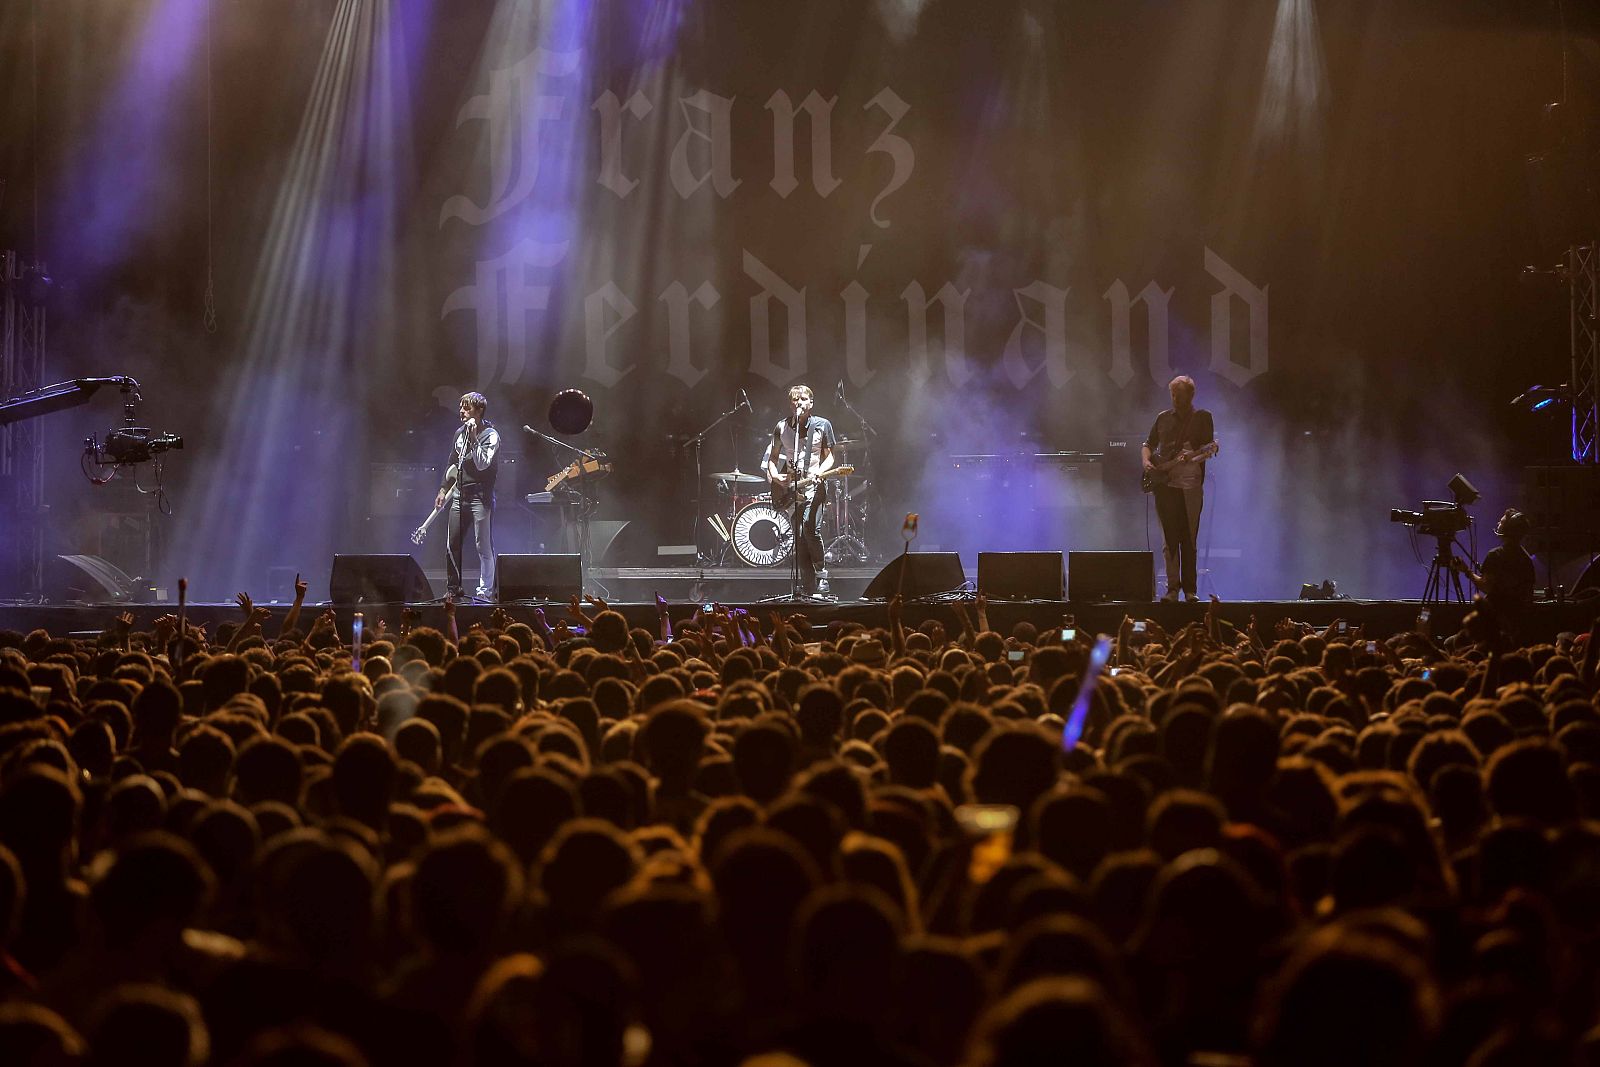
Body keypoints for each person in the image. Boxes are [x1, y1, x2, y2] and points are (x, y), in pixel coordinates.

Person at [1142, 375, 1216, 603]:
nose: (1175, 399)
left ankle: (1190, 590)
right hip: (1165, 485)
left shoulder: (1203, 418)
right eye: (1173, 394)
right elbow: (1148, 444)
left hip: (1191, 486)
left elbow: (1207, 449)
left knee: (1189, 538)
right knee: (1169, 538)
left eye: (1180, 395)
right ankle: (1172, 589)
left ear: (1191, 395)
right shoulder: (1163, 418)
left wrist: (1193, 458)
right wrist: (1146, 463)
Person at [764, 385, 837, 600]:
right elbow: (772, 459)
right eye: (795, 400)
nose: (799, 403)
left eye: (804, 399)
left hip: (815, 486)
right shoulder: (781, 428)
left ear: (811, 403)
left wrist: (820, 472)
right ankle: (807, 586)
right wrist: (776, 477)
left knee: (810, 528)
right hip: (792, 489)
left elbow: (830, 457)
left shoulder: (822, 425)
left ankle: (822, 574)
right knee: (798, 537)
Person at [435, 391, 500, 603]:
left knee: (483, 546)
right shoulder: (458, 434)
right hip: (459, 495)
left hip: (481, 497)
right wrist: (443, 489)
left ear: (479, 410)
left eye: (467, 407)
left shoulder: (491, 435)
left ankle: (485, 591)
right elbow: (451, 463)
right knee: (452, 543)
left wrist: (473, 439)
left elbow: (482, 464)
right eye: (461, 407)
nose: (462, 411)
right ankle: (453, 589)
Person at [1460, 507, 1536, 643]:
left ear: (1509, 529)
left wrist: (1467, 572)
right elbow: (1528, 595)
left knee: (1451, 642)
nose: (1498, 524)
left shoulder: (1495, 555)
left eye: (1501, 522)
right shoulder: (1526, 559)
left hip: (1493, 621)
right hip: (1516, 624)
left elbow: (1486, 587)